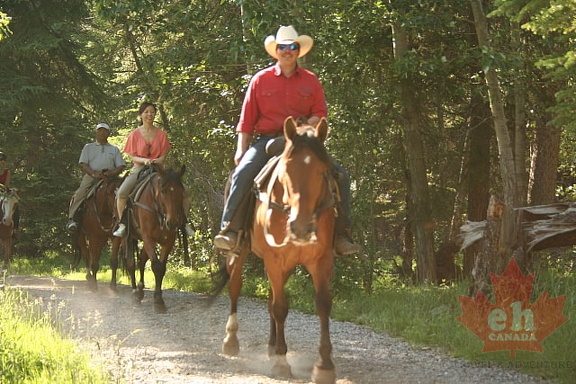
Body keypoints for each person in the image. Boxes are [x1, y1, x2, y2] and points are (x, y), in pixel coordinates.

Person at [214, 25, 360, 255]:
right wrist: (241, 150)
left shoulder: (311, 80)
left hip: (303, 142)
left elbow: (320, 113)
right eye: (283, 47)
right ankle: (230, 231)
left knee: (340, 176)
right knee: (243, 173)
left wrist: (304, 127)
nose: (287, 51)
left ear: (298, 50)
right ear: (276, 50)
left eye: (292, 46)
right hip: (267, 141)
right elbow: (246, 120)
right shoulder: (260, 80)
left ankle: (341, 236)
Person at [112, 102, 193, 237]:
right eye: (146, 112)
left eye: (152, 112)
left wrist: (157, 161)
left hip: (159, 169)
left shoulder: (161, 134)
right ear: (141, 115)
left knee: (185, 191)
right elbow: (132, 155)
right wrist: (144, 161)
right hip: (139, 168)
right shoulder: (134, 134)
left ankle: (184, 222)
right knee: (121, 193)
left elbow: (163, 155)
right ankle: (122, 224)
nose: (149, 114)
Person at [66, 123, 126, 232]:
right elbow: (84, 164)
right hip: (92, 176)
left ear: (108, 133)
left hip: (110, 178)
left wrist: (112, 173)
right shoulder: (88, 147)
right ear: (96, 132)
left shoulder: (114, 149)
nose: (102, 133)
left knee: (123, 192)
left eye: (104, 131)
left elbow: (120, 166)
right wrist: (93, 173)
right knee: (81, 192)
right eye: (100, 130)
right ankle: (72, 218)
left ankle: (125, 220)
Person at [0, 151, 20, 234]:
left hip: (3, 191)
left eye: (4, 160)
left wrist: (10, 190)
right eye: (1, 159)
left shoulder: (7, 171)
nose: (2, 161)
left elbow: (7, 184)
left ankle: (15, 227)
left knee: (14, 203)